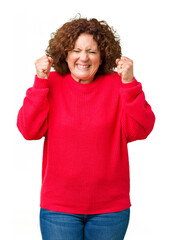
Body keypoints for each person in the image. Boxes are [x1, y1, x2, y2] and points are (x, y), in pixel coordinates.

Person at [17, 16, 155, 240]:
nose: (83, 58)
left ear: (103, 56)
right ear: (66, 54)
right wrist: (40, 81)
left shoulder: (118, 84)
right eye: (75, 50)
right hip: (59, 209)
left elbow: (140, 130)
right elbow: (29, 130)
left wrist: (129, 84)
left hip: (110, 210)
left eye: (92, 51)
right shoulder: (50, 83)